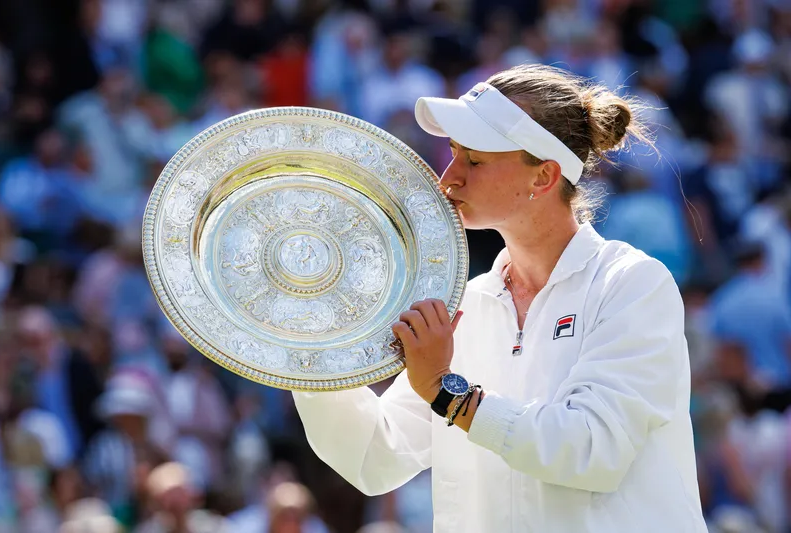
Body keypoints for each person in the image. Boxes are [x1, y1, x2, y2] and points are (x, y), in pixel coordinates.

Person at [292, 63, 707, 532]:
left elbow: (592, 450)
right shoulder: (464, 303)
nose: (448, 178)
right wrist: (309, 346)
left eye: (475, 159)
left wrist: (447, 394)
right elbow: (376, 456)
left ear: (543, 177)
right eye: (452, 153)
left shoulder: (632, 284)